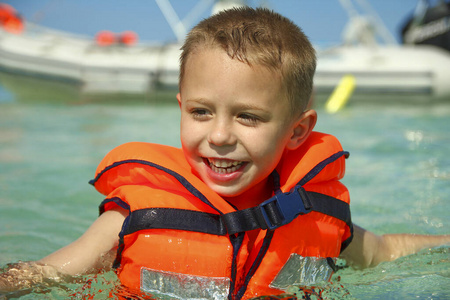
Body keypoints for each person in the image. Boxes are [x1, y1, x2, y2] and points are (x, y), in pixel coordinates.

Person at [1, 7, 449, 299]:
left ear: (297, 132)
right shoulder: (135, 217)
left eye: (248, 117)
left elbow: (385, 251)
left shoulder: (315, 216)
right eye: (201, 112)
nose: (218, 136)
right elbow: (44, 274)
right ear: (181, 108)